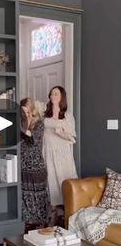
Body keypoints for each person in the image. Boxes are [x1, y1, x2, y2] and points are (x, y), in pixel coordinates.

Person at [43, 86, 77, 226]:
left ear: (62, 96)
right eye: (51, 94)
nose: (52, 96)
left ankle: (69, 215)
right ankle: (53, 214)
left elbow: (72, 136)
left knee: (65, 181)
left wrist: (60, 132)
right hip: (48, 152)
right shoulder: (45, 114)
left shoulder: (68, 116)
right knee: (51, 183)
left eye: (56, 94)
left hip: (63, 154)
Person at [20, 97, 51, 231]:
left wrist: (22, 124)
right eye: (23, 113)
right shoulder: (21, 123)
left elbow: (32, 138)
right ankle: (28, 223)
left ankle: (41, 224)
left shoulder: (39, 124)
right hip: (23, 167)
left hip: (37, 168)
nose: (26, 115)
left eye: (28, 112)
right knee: (25, 197)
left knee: (39, 199)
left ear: (32, 110)